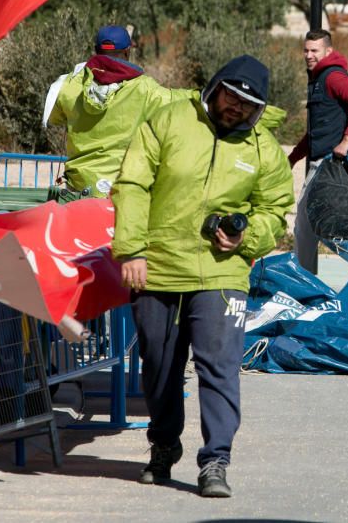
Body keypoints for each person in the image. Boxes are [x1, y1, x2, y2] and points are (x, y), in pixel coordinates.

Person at [111, 54, 294, 498]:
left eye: (248, 106)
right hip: (158, 266)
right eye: (231, 97)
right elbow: (133, 183)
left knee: (219, 367)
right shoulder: (169, 120)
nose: (236, 109)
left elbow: (275, 211)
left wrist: (248, 236)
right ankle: (164, 444)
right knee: (158, 366)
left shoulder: (263, 148)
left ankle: (215, 460)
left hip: (222, 274)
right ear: (215, 89)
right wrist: (132, 250)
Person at [44, 25, 189, 197]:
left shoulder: (69, 84)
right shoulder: (145, 89)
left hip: (78, 192)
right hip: (124, 193)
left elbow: (55, 118)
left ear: (96, 51)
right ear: (127, 52)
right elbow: (180, 102)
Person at [287, 29, 348, 273]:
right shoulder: (317, 80)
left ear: (328, 51)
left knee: (312, 223)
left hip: (337, 166)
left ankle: (309, 277)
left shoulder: (332, 77)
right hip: (324, 163)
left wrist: (346, 142)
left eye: (315, 50)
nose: (309, 55)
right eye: (306, 50)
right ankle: (305, 277)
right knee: (306, 223)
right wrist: (293, 157)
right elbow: (319, 129)